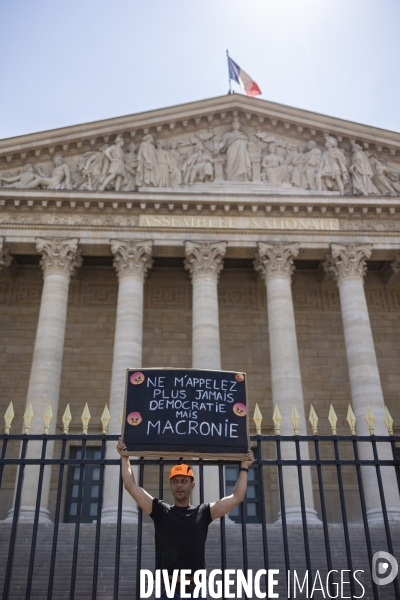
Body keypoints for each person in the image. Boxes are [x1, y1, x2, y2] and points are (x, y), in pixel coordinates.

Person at [116, 438, 254, 599]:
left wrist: (244, 467)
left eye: (184, 481)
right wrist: (124, 456)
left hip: (197, 589)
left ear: (192, 485)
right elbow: (131, 486)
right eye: (175, 482)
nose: (179, 485)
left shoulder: (203, 513)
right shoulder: (161, 511)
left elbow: (237, 497)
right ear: (171, 486)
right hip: (167, 589)